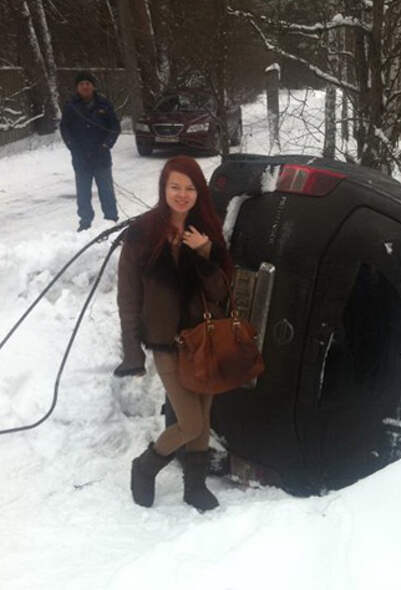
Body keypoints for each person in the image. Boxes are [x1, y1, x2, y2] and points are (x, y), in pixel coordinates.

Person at [115, 155, 233, 512]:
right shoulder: (142, 235)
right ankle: (145, 465)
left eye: (190, 188)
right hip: (167, 344)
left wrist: (205, 254)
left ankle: (194, 488)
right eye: (175, 187)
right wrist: (133, 352)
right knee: (190, 420)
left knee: (202, 416)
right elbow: (128, 299)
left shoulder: (207, 232)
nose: (182, 195)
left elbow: (222, 294)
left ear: (199, 192)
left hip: (204, 341)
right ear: (163, 189)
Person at [60, 71, 120, 231]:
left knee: (107, 192)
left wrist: (106, 145)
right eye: (81, 84)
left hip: (102, 158)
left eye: (88, 83)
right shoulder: (70, 106)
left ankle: (111, 221)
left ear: (93, 86)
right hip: (81, 159)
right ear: (77, 88)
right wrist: (74, 148)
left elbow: (115, 127)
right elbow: (65, 130)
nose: (85, 86)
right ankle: (85, 222)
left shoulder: (104, 104)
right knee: (83, 195)